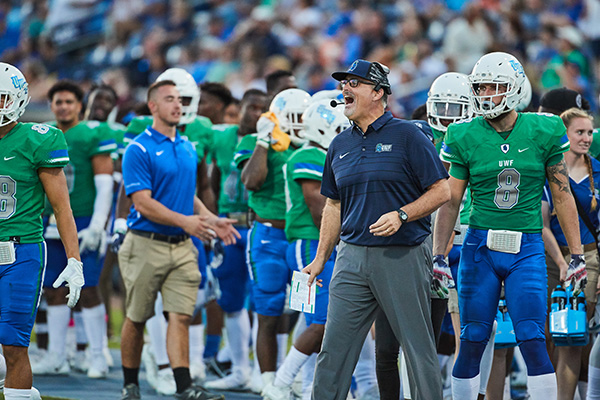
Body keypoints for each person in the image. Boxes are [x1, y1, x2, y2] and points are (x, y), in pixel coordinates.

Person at [433, 52, 586, 400]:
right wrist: (439, 255)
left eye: (494, 86)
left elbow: (562, 196)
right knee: (472, 338)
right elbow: (451, 200)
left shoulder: (543, 129)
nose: (486, 94)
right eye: (481, 87)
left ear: (516, 88)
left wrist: (575, 254)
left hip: (527, 246)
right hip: (479, 247)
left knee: (532, 337)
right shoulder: (463, 134)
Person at [303, 59, 450, 400]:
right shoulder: (339, 145)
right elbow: (333, 205)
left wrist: (402, 214)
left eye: (354, 83)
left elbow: (441, 191)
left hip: (401, 255)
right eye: (344, 83)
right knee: (333, 351)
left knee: (418, 349)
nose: (345, 89)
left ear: (379, 93)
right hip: (350, 258)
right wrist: (321, 257)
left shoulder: (409, 135)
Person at [118, 79, 239, 400]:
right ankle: (130, 384)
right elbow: (142, 202)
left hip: (182, 245)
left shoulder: (186, 146)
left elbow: (190, 195)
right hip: (145, 241)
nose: (178, 105)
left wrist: (210, 219)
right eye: (170, 99)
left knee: (181, 316)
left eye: (181, 100)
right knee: (137, 315)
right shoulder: (138, 148)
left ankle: (184, 386)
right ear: (153, 106)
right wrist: (187, 221)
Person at [0, 63, 83, 400]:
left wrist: (74, 259)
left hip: (21, 251)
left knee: (13, 343)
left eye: (1, 97)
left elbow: (62, 208)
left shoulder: (37, 139)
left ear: (18, 98)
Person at [262, 99, 351, 400]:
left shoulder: (318, 153)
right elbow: (319, 209)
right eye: (339, 127)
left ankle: (305, 385)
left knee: (309, 319)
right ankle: (281, 383)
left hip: (313, 244)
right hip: (310, 245)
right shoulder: (310, 155)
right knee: (323, 323)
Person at [33, 80, 116, 379]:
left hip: (81, 218)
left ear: (80, 105)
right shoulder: (44, 134)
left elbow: (105, 182)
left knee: (90, 288)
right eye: (58, 102)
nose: (63, 106)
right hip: (47, 219)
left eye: (69, 101)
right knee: (53, 289)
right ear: (51, 105)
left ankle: (97, 356)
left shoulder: (93, 132)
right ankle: (57, 356)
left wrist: (98, 223)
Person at [234, 87, 311, 392]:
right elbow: (251, 182)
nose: (298, 125)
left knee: (304, 310)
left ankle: (296, 377)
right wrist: (264, 142)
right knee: (268, 311)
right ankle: (267, 380)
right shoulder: (256, 142)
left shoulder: (311, 147)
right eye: (292, 118)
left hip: (301, 239)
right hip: (268, 236)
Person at [203, 88, 270, 391]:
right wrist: (213, 218)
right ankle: (240, 368)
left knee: (261, 300)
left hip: (258, 226)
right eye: (251, 107)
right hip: (229, 225)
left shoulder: (272, 140)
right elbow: (212, 179)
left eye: (262, 109)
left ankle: (260, 369)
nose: (256, 114)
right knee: (229, 299)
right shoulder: (221, 137)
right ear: (239, 108)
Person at [542, 108, 600, 399]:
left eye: (589, 133)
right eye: (580, 132)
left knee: (573, 336)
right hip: (551, 261)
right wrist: (560, 262)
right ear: (564, 135)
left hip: (589, 261)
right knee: (546, 336)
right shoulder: (547, 170)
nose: (587, 138)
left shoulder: (599, 171)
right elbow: (540, 224)